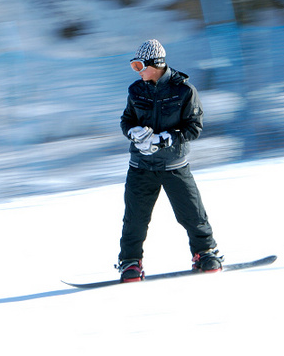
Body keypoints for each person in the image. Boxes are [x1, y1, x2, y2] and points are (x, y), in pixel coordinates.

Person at [117, 39, 223, 282]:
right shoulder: (136, 90)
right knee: (135, 217)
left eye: (138, 65)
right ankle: (130, 261)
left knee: (192, 213)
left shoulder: (185, 91)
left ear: (155, 64)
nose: (137, 71)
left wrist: (167, 138)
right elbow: (126, 120)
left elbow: (194, 128)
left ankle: (205, 252)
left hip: (174, 166)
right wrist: (132, 132)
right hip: (141, 166)